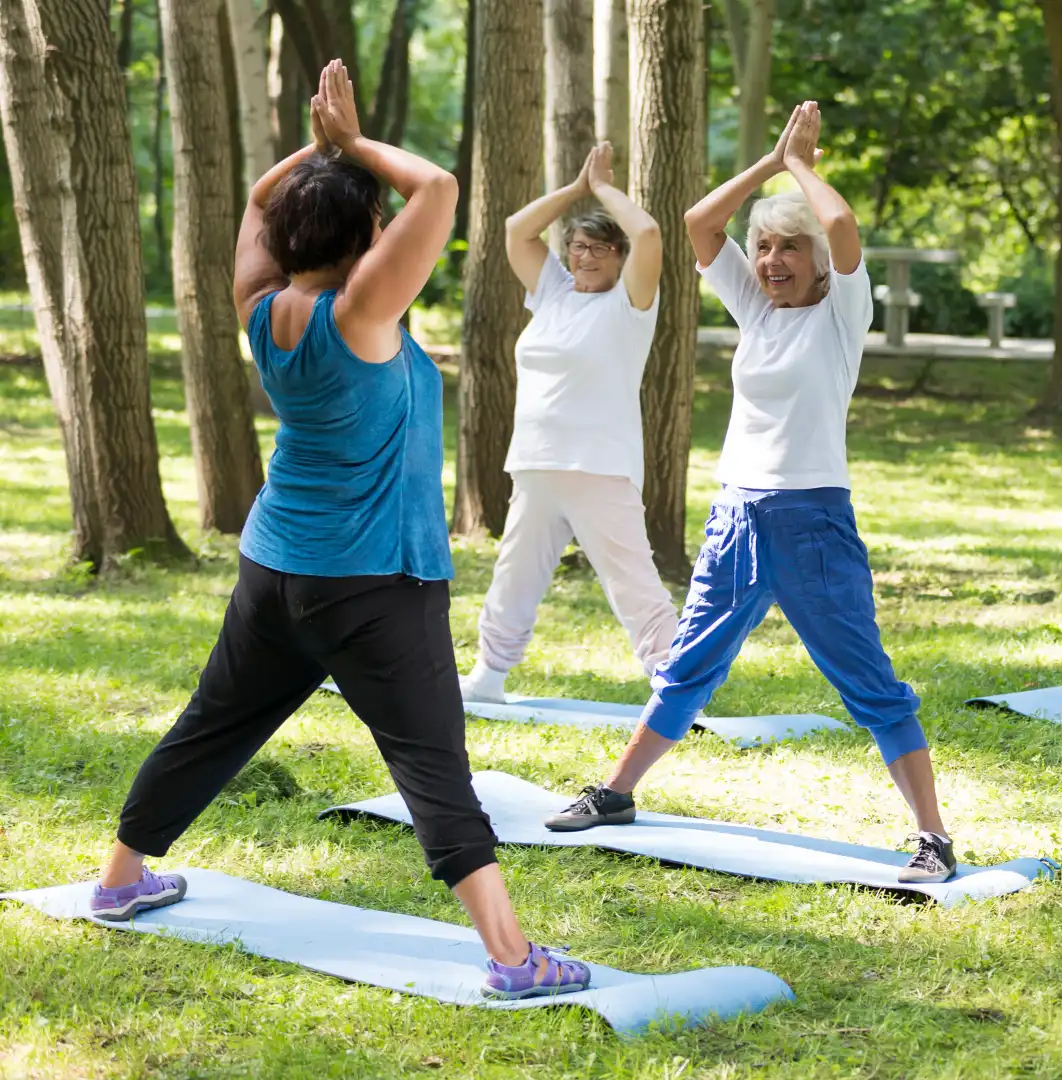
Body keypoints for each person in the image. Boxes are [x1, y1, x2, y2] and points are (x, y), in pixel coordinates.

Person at [88, 61, 589, 999]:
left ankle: (121, 882)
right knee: (434, 766)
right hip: (374, 584)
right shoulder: (364, 315)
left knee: (212, 727)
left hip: (276, 568)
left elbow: (254, 201)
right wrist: (350, 145)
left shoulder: (259, 311)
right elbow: (437, 189)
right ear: (365, 239)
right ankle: (515, 960)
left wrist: (316, 157)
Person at [539, 102, 960, 885]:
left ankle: (932, 836)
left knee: (867, 681)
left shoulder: (841, 313)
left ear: (819, 262)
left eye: (787, 249)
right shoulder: (757, 313)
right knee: (689, 665)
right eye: (764, 247)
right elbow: (700, 224)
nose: (770, 261)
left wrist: (802, 166)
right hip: (737, 514)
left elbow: (842, 227)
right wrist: (770, 162)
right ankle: (618, 793)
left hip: (812, 523)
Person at [458, 141, 679, 705]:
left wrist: (605, 188)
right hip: (535, 461)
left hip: (599, 465)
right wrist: (578, 188)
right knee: (515, 575)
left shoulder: (631, 304)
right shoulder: (552, 292)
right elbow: (515, 231)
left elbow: (650, 235)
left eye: (602, 249)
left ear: (620, 257)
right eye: (579, 246)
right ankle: (489, 675)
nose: (586, 257)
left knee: (632, 581)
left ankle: (675, 684)